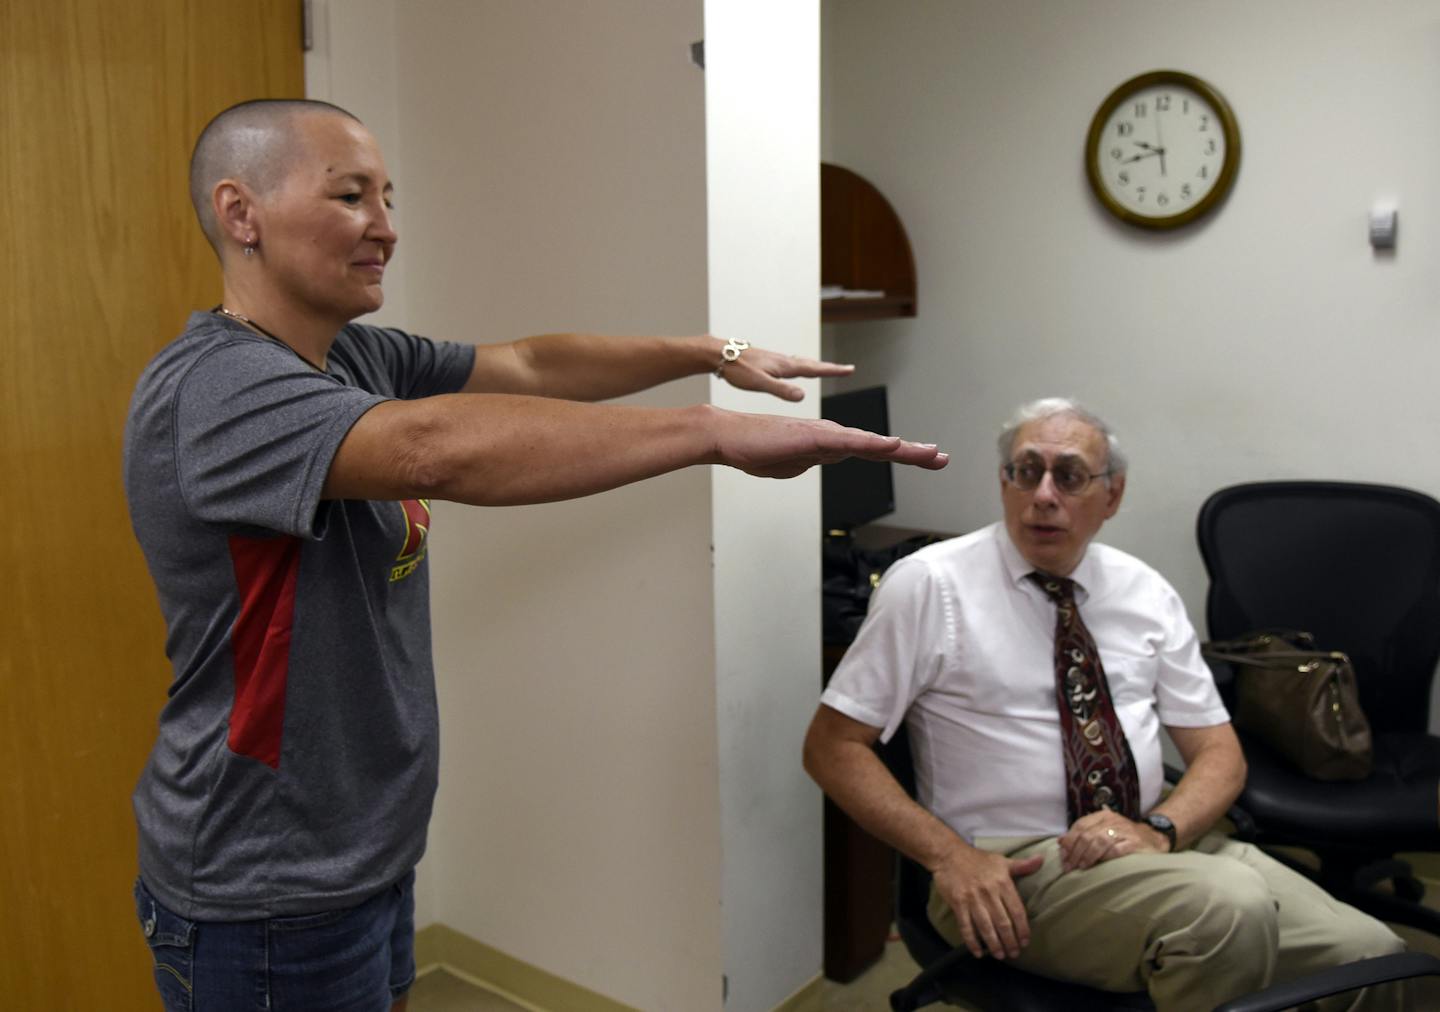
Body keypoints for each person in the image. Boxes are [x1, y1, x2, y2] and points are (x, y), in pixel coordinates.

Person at [122, 98, 948, 1012]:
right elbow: (439, 448)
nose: (386, 228)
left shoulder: (353, 357)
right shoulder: (216, 389)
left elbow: (529, 365)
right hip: (264, 883)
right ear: (241, 213)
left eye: (389, 197)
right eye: (352, 196)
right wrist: (713, 434)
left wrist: (714, 352)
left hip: (364, 851)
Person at [803, 398, 1405, 1011]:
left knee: (1376, 959)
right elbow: (831, 748)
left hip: (1156, 840)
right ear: (1003, 483)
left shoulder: (1144, 591)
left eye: (1068, 475)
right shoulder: (931, 585)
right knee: (1226, 909)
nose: (1043, 494)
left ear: (1111, 496)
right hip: (1011, 867)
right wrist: (949, 857)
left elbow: (1220, 754)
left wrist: (1162, 831)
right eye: (1025, 471)